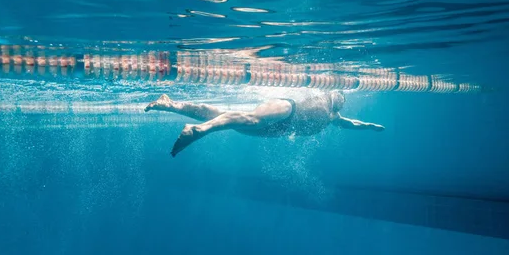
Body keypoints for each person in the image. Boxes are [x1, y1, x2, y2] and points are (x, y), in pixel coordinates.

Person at [145, 91, 384, 157]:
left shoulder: (334, 117)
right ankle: (198, 132)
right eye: (340, 96)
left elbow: (353, 124)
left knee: (229, 118)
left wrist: (371, 127)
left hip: (281, 128)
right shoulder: (324, 98)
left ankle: (171, 104)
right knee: (249, 119)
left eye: (342, 99)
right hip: (288, 107)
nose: (341, 100)